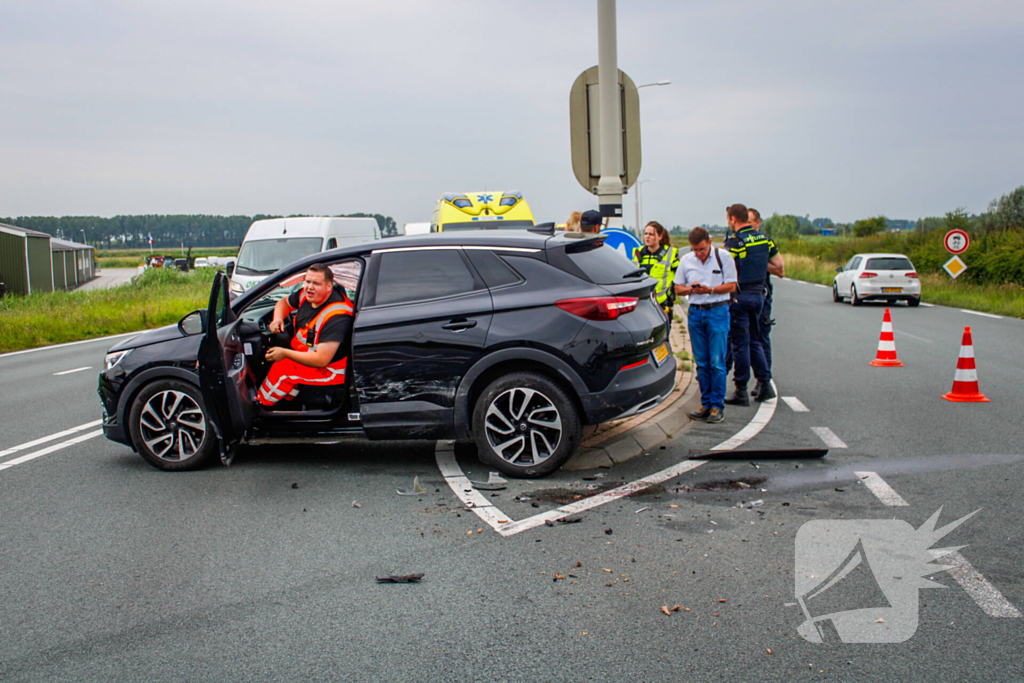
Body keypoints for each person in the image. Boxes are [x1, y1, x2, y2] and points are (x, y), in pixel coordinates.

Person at [258, 263, 354, 407]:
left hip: (332, 371)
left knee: (283, 369)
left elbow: (321, 360)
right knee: (286, 364)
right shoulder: (307, 295)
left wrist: (285, 353)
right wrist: (277, 318)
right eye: (307, 281)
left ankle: (260, 405)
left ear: (329, 286)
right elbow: (284, 302)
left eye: (316, 283)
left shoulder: (337, 317)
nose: (309, 287)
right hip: (309, 357)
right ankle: (288, 404)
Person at [674, 227, 737, 424]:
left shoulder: (724, 257)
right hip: (696, 312)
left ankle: (717, 405)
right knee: (701, 362)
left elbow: (732, 285)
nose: (699, 254)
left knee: (716, 361)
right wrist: (690, 289)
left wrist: (710, 290)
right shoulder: (687, 261)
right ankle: (706, 403)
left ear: (709, 243)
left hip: (717, 310)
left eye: (702, 249)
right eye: (695, 250)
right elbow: (677, 288)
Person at [722, 204, 783, 406]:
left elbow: (724, 269)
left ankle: (741, 390)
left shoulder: (735, 243)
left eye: (728, 219)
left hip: (740, 296)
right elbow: (779, 265)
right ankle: (765, 383)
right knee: (755, 340)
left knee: (739, 344)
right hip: (759, 296)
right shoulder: (765, 239)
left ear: (733, 219)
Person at [747, 208, 780, 378]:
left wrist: (758, 261)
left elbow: (780, 270)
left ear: (757, 223)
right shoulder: (739, 242)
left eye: (749, 222)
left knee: (760, 337)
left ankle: (764, 380)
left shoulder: (765, 242)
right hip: (743, 296)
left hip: (762, 295)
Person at [632, 221, 680, 329]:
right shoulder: (638, 253)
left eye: (651, 234)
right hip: (642, 305)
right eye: (646, 234)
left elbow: (680, 277)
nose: (647, 237)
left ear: (660, 236)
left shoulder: (671, 254)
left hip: (662, 305)